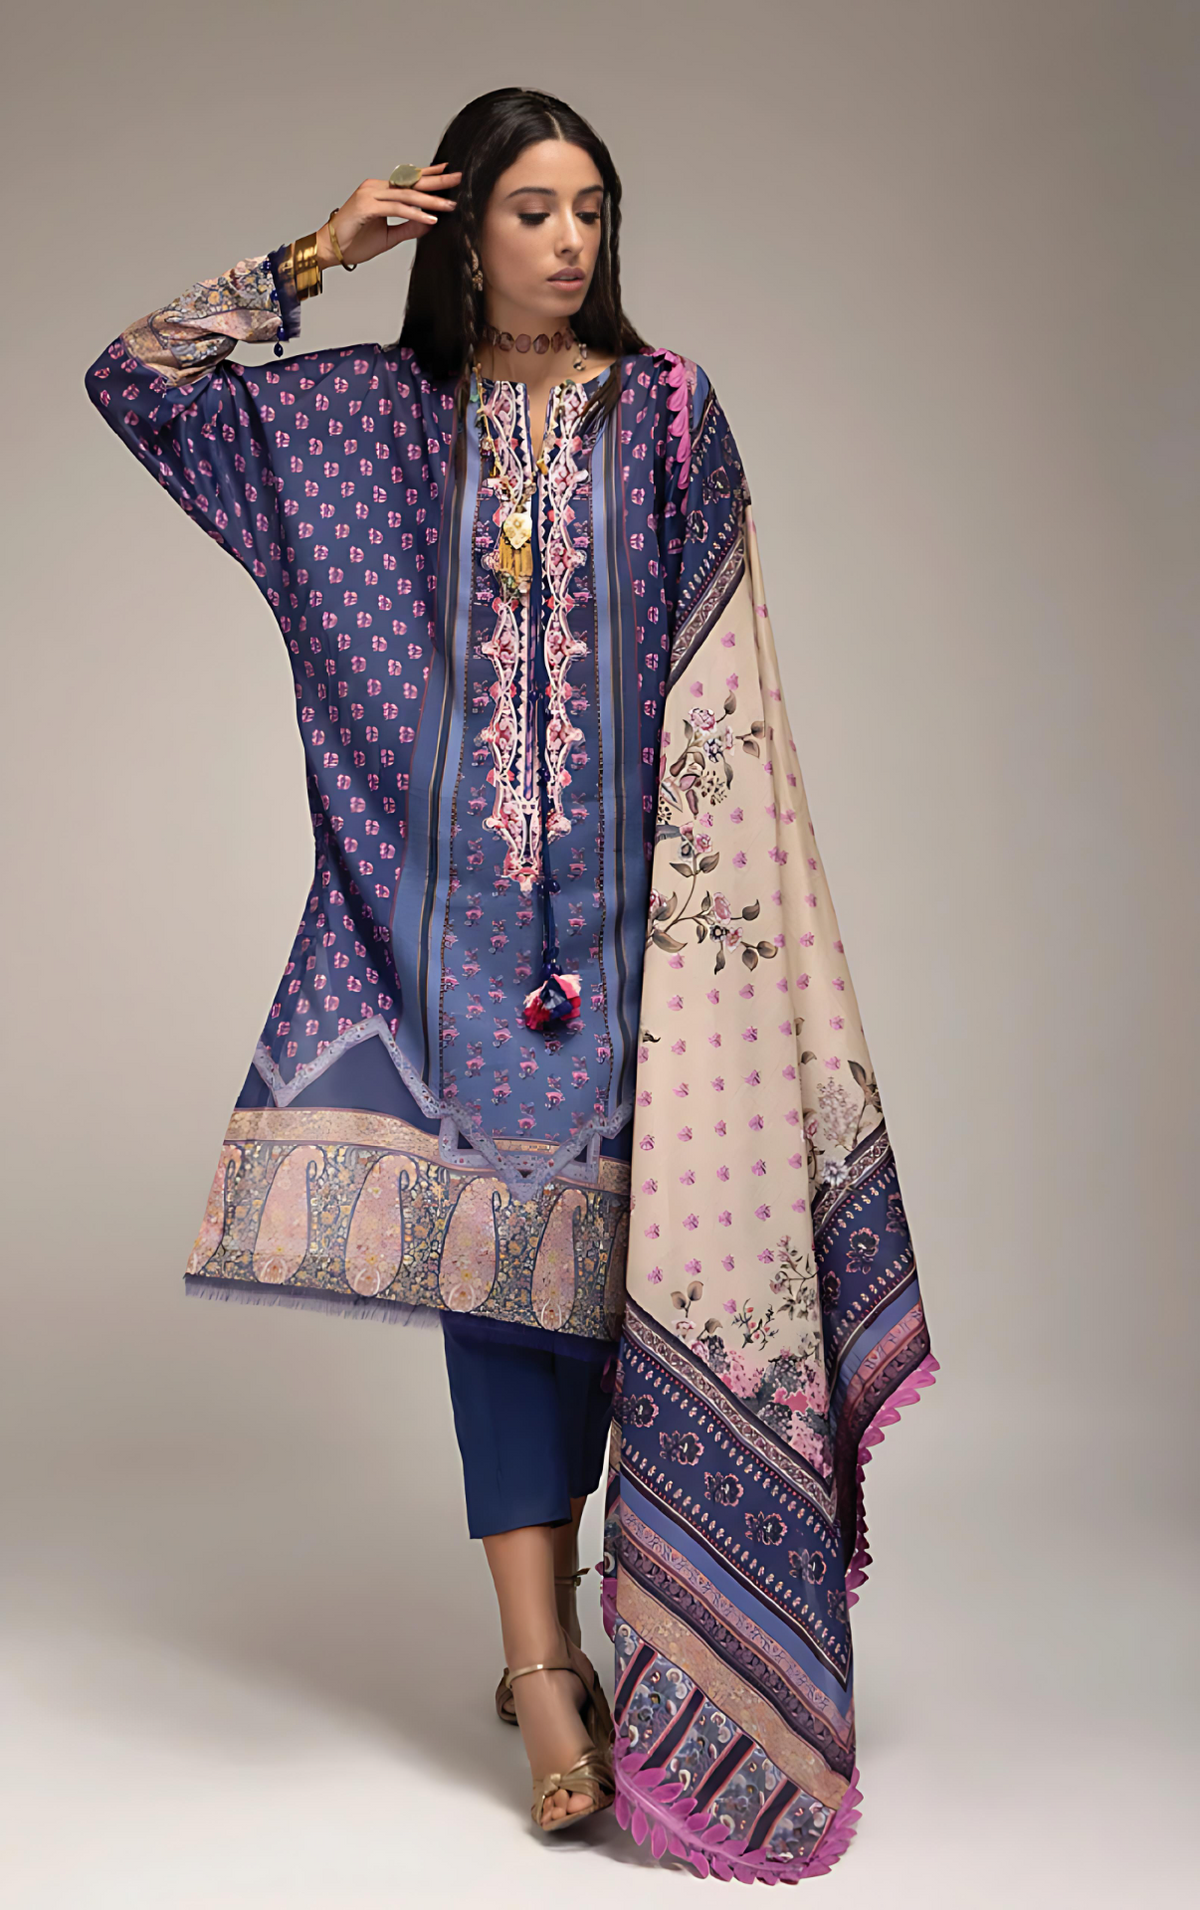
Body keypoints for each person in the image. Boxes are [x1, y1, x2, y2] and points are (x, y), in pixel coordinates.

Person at [85, 87, 937, 1878]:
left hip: (659, 940)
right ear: (463, 234)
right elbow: (137, 381)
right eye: (532, 209)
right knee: (507, 1303)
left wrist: (715, 914)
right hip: (452, 938)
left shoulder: (671, 411)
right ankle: (543, 1672)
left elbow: (725, 685)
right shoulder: (383, 422)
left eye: (591, 210)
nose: (568, 241)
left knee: (653, 1277)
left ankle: (673, 1632)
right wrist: (321, 253)